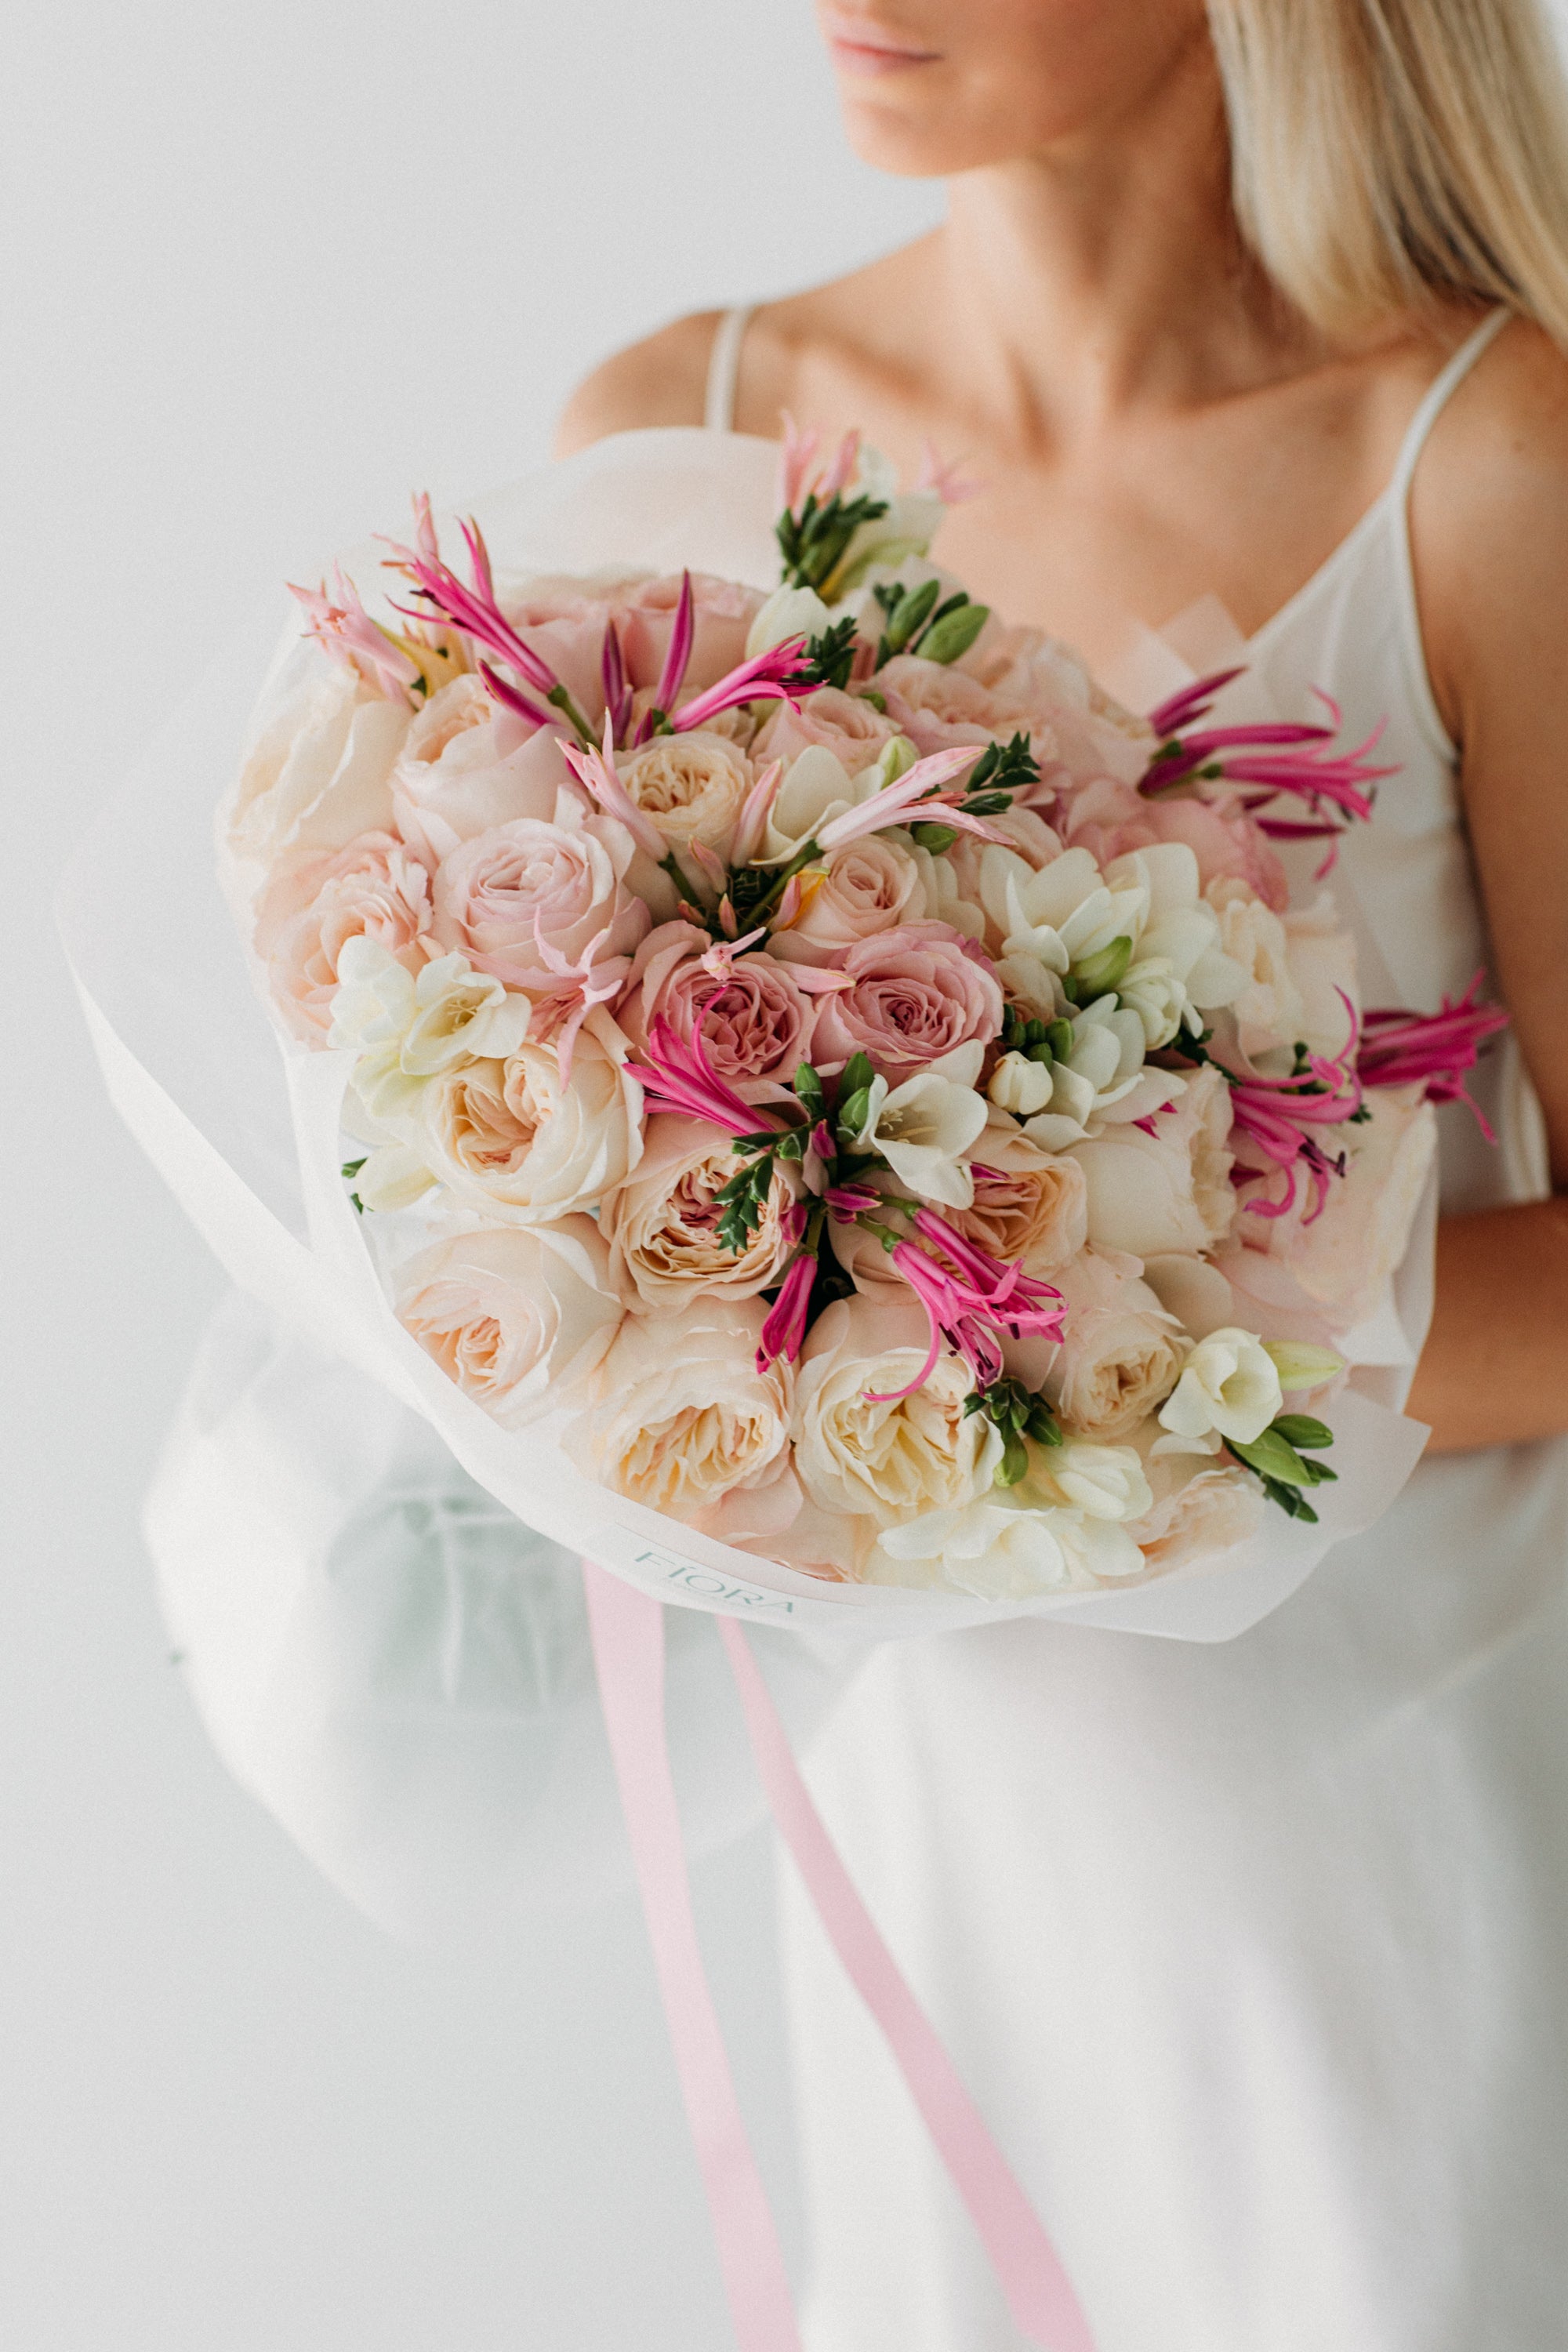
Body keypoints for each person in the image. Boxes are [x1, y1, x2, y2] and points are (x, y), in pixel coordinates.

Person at [550, 5, 1568, 2346]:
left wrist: (1090, 1346)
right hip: (958, 1873)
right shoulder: (673, 438)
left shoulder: (1479, 453)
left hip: (1399, 1864)